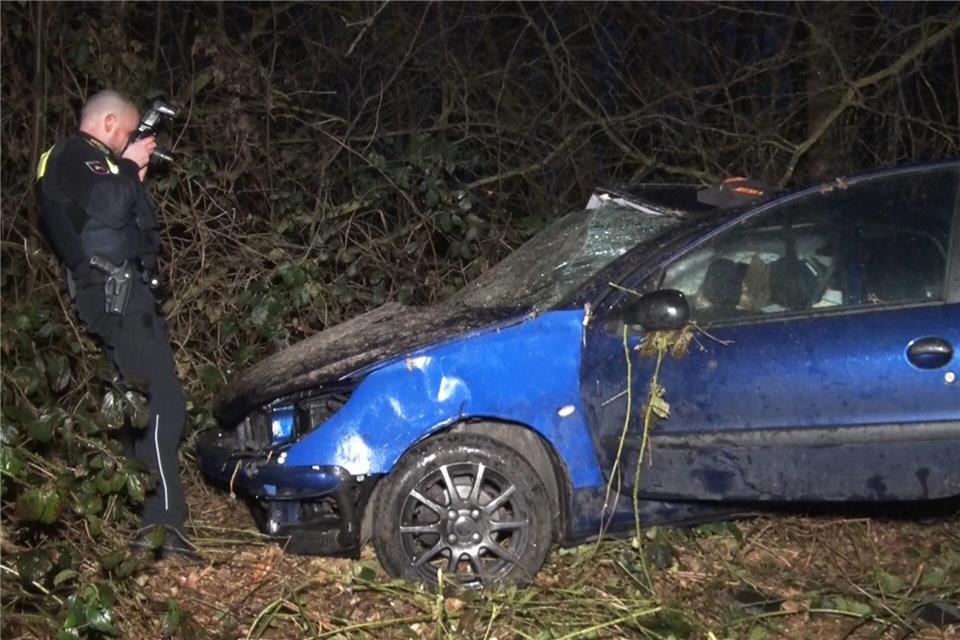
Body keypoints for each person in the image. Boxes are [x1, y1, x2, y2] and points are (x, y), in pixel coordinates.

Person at [36, 89, 194, 557]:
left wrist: (131, 173)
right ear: (108, 123)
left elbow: (113, 213)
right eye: (126, 132)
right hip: (115, 293)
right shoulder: (74, 153)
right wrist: (127, 165)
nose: (129, 141)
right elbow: (108, 205)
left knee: (138, 406)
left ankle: (147, 522)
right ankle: (163, 529)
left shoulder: (91, 164)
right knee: (164, 401)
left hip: (120, 292)